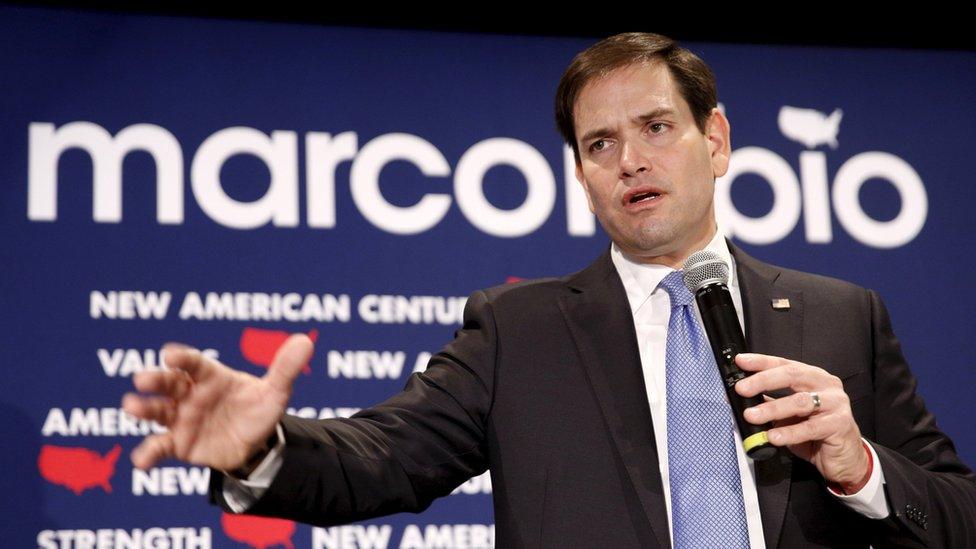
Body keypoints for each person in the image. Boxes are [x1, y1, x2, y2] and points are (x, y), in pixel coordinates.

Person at [122, 32, 976, 547]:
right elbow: (379, 462)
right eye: (599, 144)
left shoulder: (841, 313)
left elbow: (956, 515)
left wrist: (858, 465)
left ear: (714, 140)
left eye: (655, 128)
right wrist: (260, 446)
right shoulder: (517, 330)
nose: (631, 159)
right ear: (579, 172)